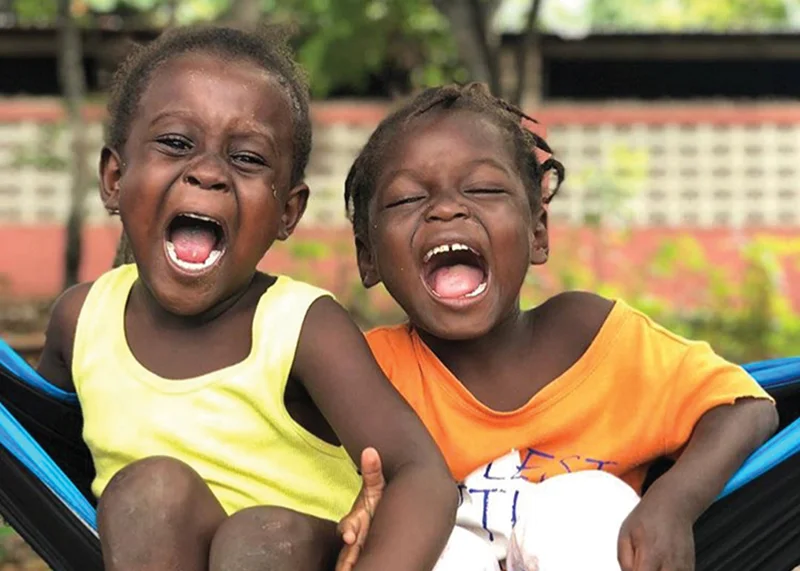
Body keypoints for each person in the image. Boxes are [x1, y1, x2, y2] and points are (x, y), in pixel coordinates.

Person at [35, 25, 458, 571]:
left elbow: (420, 475)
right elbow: (41, 470)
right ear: (115, 178)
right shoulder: (82, 321)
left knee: (257, 537)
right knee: (151, 494)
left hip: (293, 554)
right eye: (176, 143)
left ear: (288, 212)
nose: (208, 173)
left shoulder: (302, 328)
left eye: (248, 158)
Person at [337, 82, 779, 571]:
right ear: (367, 256)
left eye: (483, 189)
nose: (446, 209)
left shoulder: (594, 341)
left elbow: (746, 409)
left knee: (585, 502)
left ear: (538, 233)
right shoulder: (363, 374)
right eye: (406, 199)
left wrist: (671, 504)